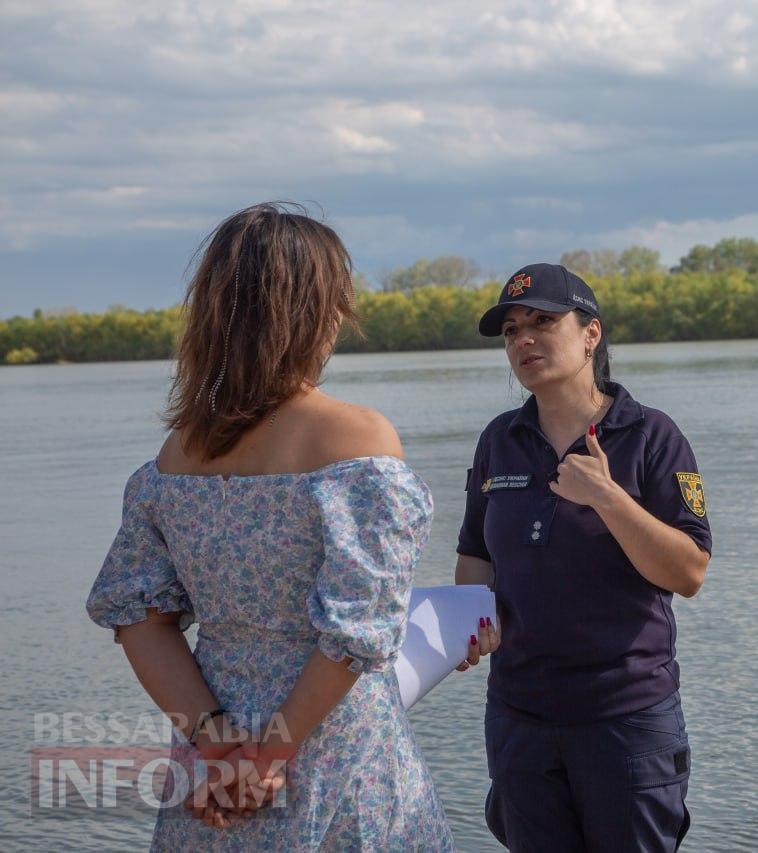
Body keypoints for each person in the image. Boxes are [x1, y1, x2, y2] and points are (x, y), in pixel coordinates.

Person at [85, 202, 479, 850]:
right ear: (315, 314)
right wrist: (270, 753)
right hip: (333, 746)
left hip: (214, 754)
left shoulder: (176, 456)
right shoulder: (358, 442)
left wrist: (216, 743)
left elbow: (140, 620)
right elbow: (354, 632)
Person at [454, 263, 711, 852]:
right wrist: (466, 626)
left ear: (590, 332)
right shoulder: (499, 439)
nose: (523, 340)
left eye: (543, 321)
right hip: (520, 718)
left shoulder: (651, 436)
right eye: (511, 329)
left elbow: (689, 571)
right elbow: (475, 559)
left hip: (626, 719)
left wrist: (607, 497)